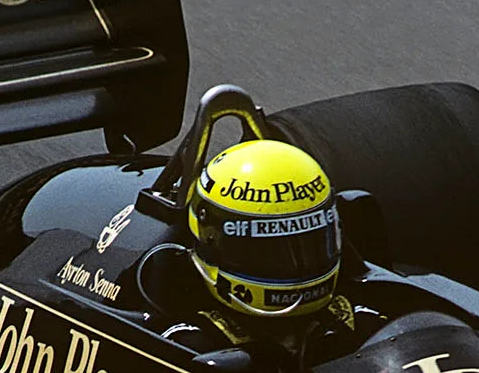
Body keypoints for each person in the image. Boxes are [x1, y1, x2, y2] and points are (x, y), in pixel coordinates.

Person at [150, 138, 363, 352]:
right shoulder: (196, 343)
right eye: (269, 253)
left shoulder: (357, 319)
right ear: (211, 243)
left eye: (312, 244)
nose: (297, 266)